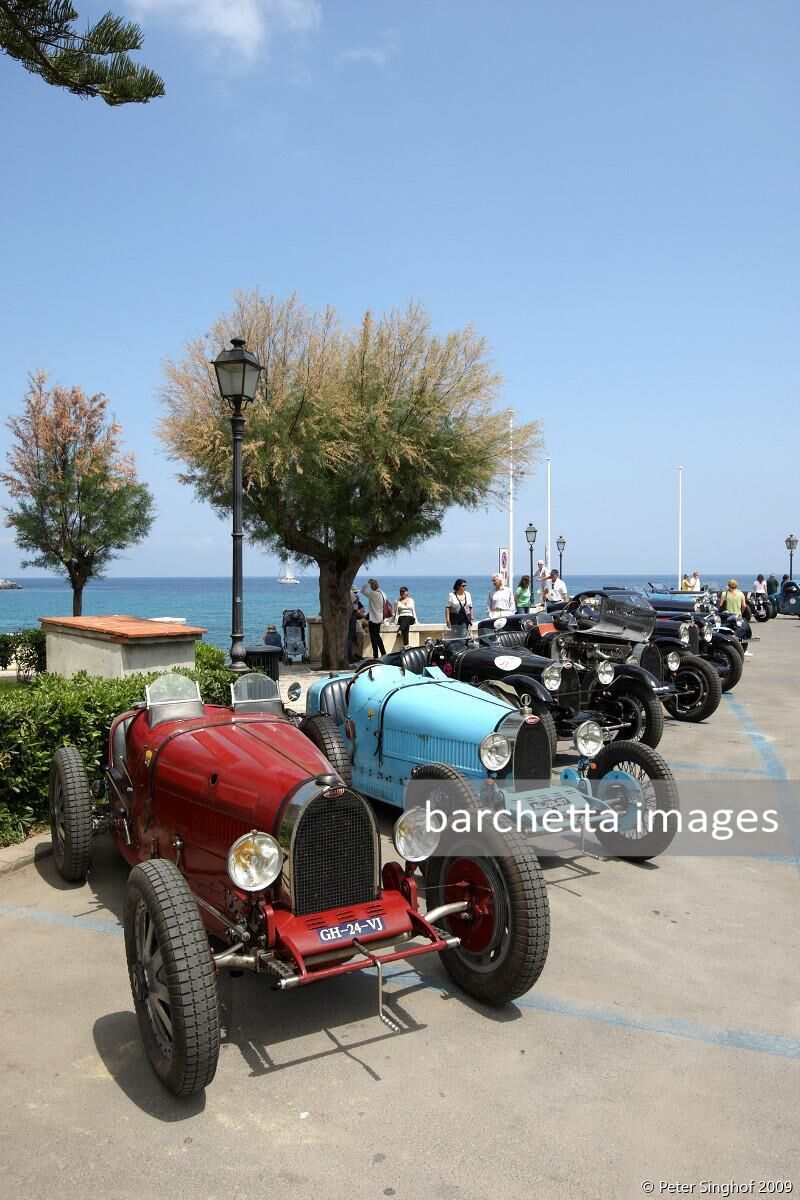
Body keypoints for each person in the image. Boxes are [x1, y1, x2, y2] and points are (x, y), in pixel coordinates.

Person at [360, 578, 387, 658]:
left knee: (374, 638)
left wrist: (367, 583)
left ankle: (376, 655)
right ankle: (383, 652)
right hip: (380, 618)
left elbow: (363, 591)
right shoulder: (383, 594)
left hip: (373, 619)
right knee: (377, 636)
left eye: (371, 585)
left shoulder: (373, 594)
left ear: (372, 586)